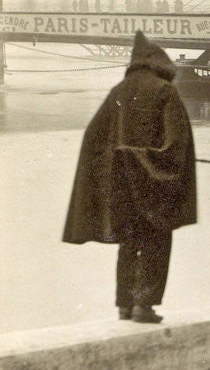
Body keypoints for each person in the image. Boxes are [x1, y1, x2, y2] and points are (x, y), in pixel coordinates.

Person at [63, 31, 197, 324]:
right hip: (153, 183)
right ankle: (144, 305)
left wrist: (116, 160)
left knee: (128, 240)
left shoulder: (118, 92)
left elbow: (93, 137)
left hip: (120, 185)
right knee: (156, 238)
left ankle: (124, 304)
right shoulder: (165, 91)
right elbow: (178, 142)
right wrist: (151, 160)